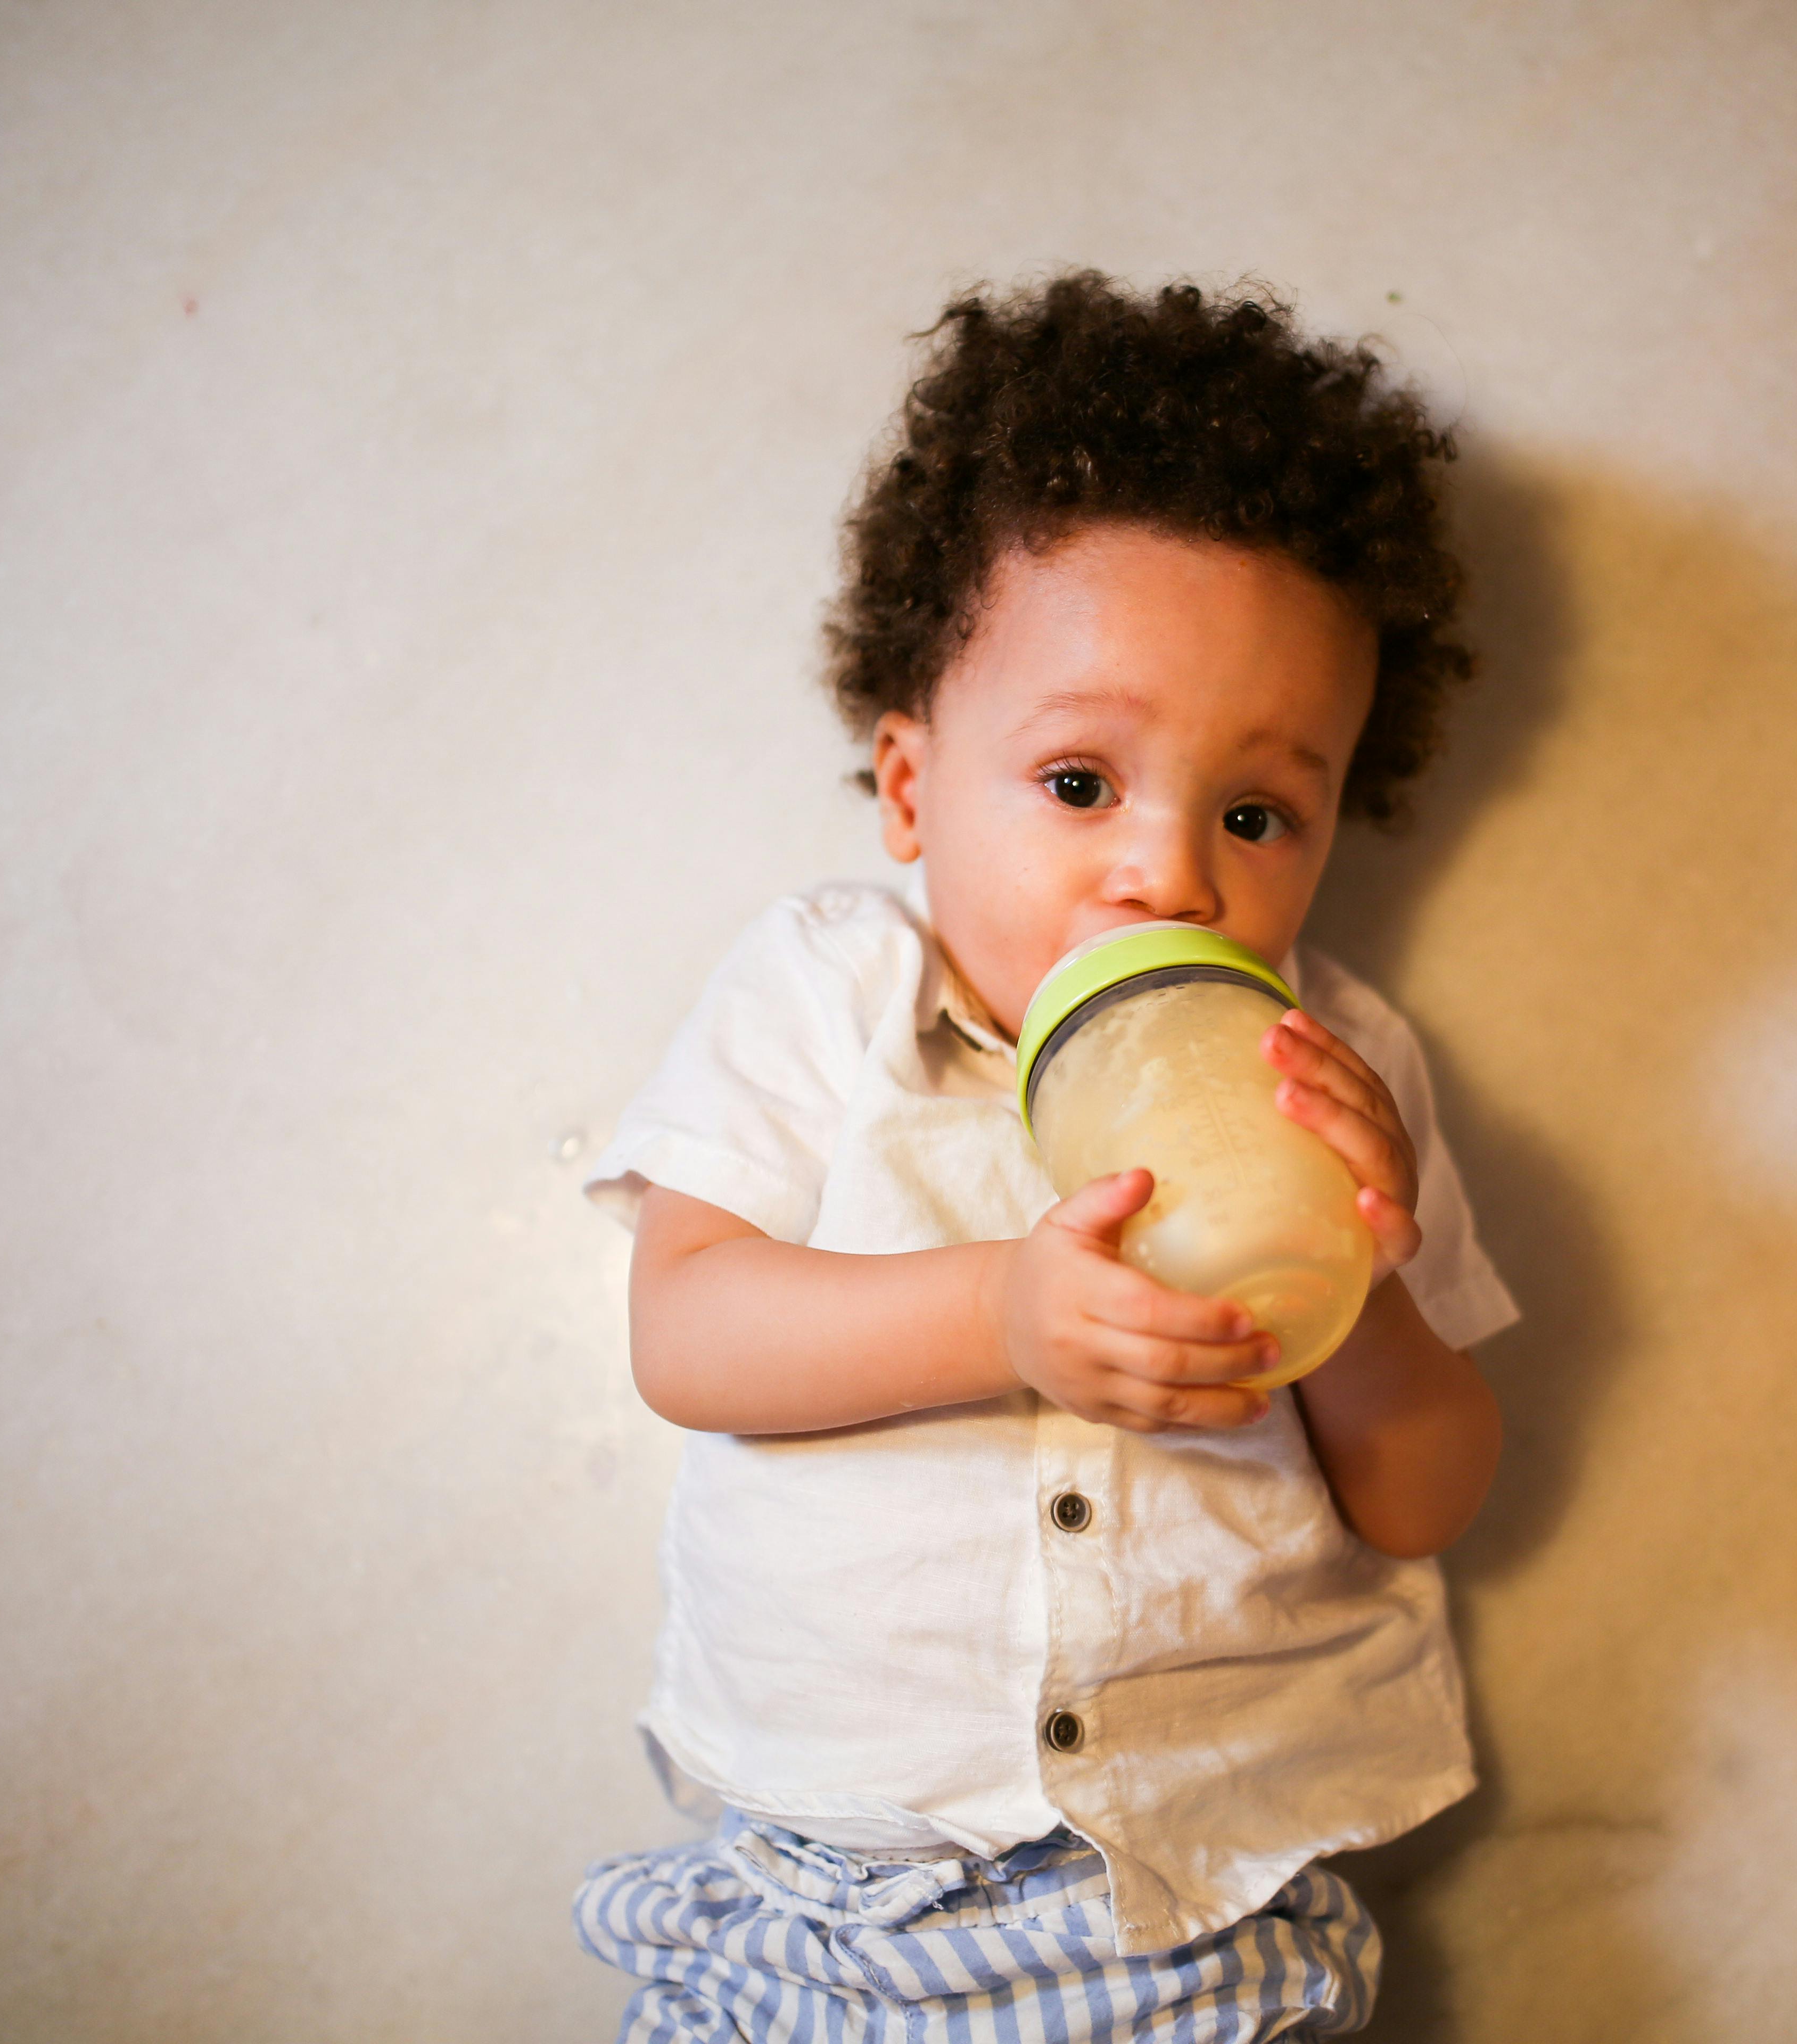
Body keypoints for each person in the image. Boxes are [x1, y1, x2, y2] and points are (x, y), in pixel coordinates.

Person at [572, 272, 1520, 2040]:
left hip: (1199, 1902)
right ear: (916, 790)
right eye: (1081, 783)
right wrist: (999, 1310)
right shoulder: (827, 993)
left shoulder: (1337, 1064)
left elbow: (1428, 1490)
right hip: (822, 1893)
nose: (1167, 874)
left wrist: (1366, 1286)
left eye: (1256, 814)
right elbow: (687, 1336)